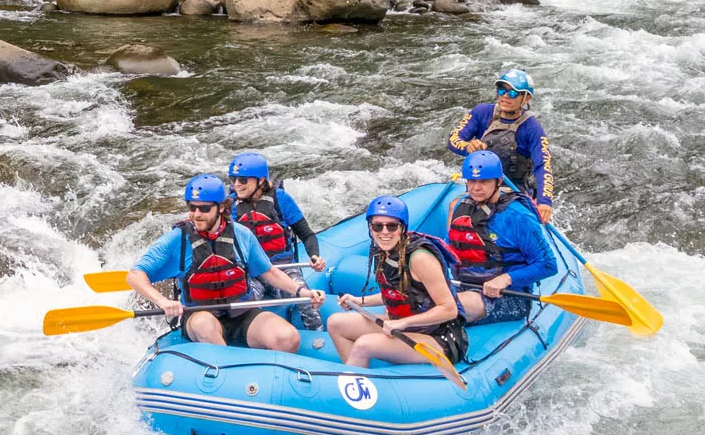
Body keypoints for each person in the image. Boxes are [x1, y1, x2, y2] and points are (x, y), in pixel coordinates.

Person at [127, 174, 323, 351]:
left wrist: (302, 292)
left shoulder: (241, 234)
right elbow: (135, 275)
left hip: (242, 313)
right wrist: (163, 301)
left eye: (204, 208)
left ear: (221, 207)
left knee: (288, 338)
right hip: (200, 314)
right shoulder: (176, 240)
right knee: (205, 325)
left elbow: (269, 272)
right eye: (191, 207)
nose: (196, 214)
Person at [328, 195, 471, 369]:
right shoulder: (383, 251)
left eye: (392, 226)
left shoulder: (420, 258)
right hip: (404, 325)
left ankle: (353, 382)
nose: (384, 232)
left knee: (364, 344)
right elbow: (398, 293)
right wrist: (361, 301)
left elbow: (448, 309)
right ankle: (360, 380)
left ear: (402, 228)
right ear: (370, 228)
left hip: (438, 337)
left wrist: (404, 323)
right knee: (335, 323)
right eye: (377, 226)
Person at [446, 150, 559, 324]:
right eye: (471, 181)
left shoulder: (519, 217)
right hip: (462, 285)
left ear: (499, 181)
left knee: (443, 310)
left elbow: (548, 264)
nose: (476, 188)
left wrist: (505, 280)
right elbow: (450, 248)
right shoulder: (462, 207)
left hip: (508, 297)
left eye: (483, 182)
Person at [226, 152, 328, 330]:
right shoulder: (230, 206)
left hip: (283, 269)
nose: (236, 185)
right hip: (251, 273)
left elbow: (307, 235)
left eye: (242, 180)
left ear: (260, 181)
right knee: (240, 305)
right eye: (233, 179)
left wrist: (314, 256)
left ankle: (318, 334)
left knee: (305, 299)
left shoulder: (280, 199)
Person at [446, 68, 555, 223]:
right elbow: (453, 139)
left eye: (513, 93)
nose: (505, 96)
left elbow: (543, 165)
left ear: (526, 98)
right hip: (479, 184)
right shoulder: (481, 112)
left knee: (507, 219)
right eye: (502, 90)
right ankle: (451, 245)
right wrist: (467, 146)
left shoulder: (532, 129)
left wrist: (544, 202)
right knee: (454, 207)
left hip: (512, 190)